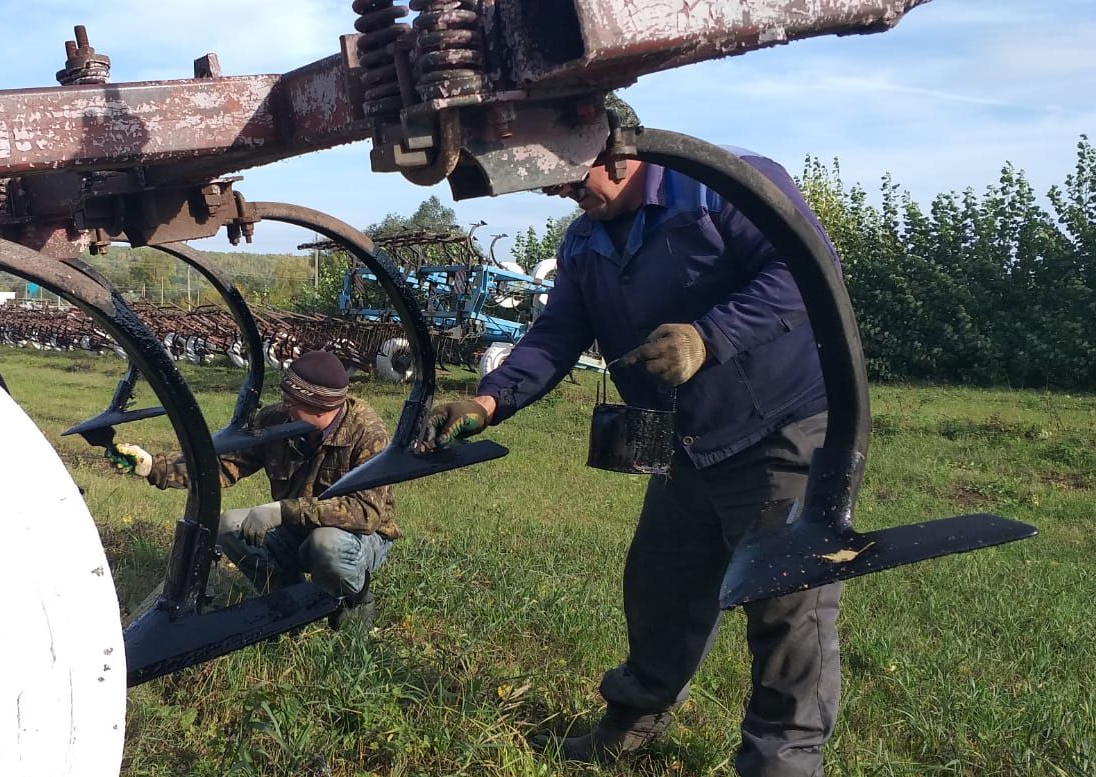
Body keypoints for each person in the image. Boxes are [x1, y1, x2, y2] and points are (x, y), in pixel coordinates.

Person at [422, 101, 841, 776]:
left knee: (784, 604)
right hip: (687, 445)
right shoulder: (584, 241)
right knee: (659, 586)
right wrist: (488, 399)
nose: (559, 192)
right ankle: (631, 721)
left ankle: (781, 759)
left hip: (780, 430)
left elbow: (805, 274)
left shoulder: (727, 185)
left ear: (614, 149)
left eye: (564, 176)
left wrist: (708, 337)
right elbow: (556, 335)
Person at [112, 350, 394, 628]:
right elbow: (224, 465)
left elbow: (365, 512)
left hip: (357, 538)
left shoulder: (367, 433)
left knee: (326, 544)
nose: (284, 407)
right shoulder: (276, 421)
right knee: (226, 526)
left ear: (320, 406)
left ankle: (352, 599)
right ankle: (287, 602)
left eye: (291, 401)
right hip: (296, 529)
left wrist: (283, 510)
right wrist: (153, 467)